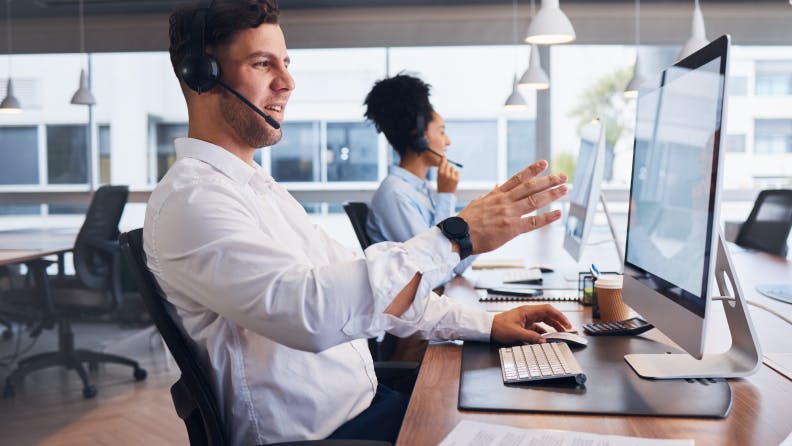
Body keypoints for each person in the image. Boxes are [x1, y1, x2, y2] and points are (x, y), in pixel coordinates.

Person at [147, 1, 570, 444]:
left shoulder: (258, 190)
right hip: (332, 436)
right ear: (201, 76)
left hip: (371, 408)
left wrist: (486, 325)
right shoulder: (193, 201)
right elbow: (310, 313)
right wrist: (455, 237)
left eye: (286, 63)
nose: (288, 82)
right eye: (262, 63)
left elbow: (367, 287)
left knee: (530, 416)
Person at [364, 74, 475, 283]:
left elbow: (453, 264)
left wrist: (487, 228)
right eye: (441, 132)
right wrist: (446, 196)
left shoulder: (420, 190)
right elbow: (433, 272)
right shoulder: (395, 195)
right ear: (420, 137)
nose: (448, 141)